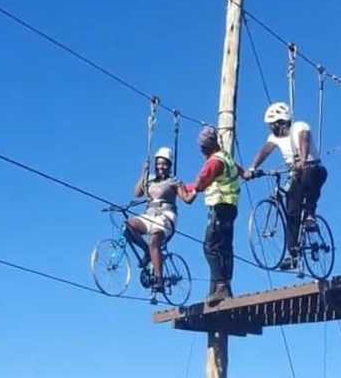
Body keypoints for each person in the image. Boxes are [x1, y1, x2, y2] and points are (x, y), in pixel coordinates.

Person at [245, 102, 328, 270]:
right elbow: (265, 151)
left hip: (313, 168)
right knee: (291, 212)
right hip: (295, 173)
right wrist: (252, 169)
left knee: (307, 177)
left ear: (281, 122)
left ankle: (311, 215)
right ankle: (293, 255)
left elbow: (304, 140)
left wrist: (303, 160)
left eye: (272, 125)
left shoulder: (299, 126)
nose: (271, 129)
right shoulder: (274, 138)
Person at [186, 126, 244, 306]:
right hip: (231, 207)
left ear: (207, 147)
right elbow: (238, 169)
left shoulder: (214, 162)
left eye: (202, 148)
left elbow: (201, 183)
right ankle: (222, 287)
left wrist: (183, 188)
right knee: (224, 248)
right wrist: (246, 173)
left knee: (210, 247)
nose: (201, 151)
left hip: (220, 207)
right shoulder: (226, 156)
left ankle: (220, 286)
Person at [124, 147, 196, 292]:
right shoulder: (150, 180)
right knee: (128, 226)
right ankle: (147, 252)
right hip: (149, 215)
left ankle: (159, 279)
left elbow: (187, 199)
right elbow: (137, 193)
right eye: (158, 163)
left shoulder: (174, 181)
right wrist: (144, 172)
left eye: (164, 164)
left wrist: (197, 189)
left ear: (169, 165)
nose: (160, 167)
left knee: (155, 238)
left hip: (166, 216)